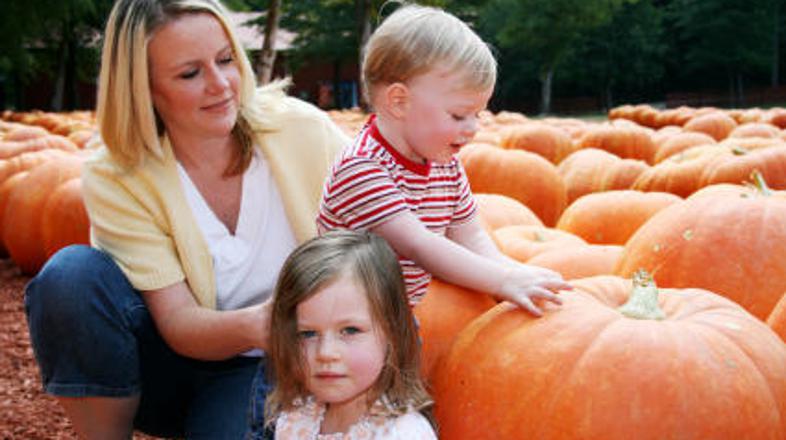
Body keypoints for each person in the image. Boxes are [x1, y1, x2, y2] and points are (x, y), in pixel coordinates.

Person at [23, 0, 349, 438]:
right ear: (143, 89)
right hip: (167, 365)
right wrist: (265, 322)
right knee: (70, 278)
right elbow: (178, 321)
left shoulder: (304, 131)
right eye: (190, 73)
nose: (221, 84)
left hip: (281, 366)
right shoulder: (116, 176)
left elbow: (385, 220)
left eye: (226, 60)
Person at [317, 4, 571, 312]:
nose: (473, 128)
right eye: (459, 115)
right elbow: (419, 245)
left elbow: (471, 236)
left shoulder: (444, 164)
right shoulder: (362, 169)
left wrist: (516, 273)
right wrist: (501, 281)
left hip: (394, 313)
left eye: (478, 114)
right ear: (399, 102)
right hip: (340, 317)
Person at [257, 230, 436, 439]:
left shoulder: (403, 434)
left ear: (392, 332)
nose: (325, 353)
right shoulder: (297, 418)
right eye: (307, 334)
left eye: (350, 330)